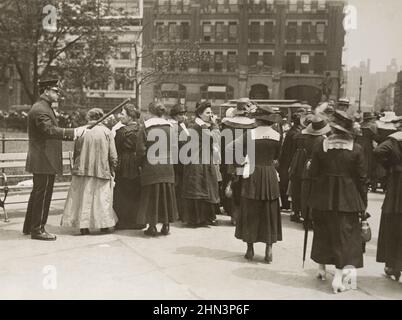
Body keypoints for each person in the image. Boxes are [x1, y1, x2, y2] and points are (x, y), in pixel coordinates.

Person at [309, 110, 368, 294]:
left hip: (324, 196)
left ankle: (321, 268)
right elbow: (362, 178)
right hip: (348, 198)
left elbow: (313, 174)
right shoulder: (356, 149)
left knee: (323, 231)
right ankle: (338, 277)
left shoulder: (322, 145)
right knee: (345, 237)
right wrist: (363, 202)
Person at [23, 79, 85, 241]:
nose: (58, 94)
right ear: (46, 91)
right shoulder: (40, 109)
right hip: (43, 159)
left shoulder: (43, 107)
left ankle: (30, 226)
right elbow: (49, 130)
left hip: (43, 158)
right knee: (42, 195)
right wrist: (74, 132)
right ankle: (37, 230)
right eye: (55, 91)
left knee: (38, 193)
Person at [229, 106, 282, 263]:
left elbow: (231, 148)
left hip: (252, 174)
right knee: (269, 210)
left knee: (250, 210)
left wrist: (242, 161)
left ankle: (250, 249)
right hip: (270, 175)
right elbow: (278, 158)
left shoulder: (249, 134)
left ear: (258, 120)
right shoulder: (277, 136)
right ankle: (269, 248)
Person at [61, 108, 118, 235]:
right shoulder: (107, 132)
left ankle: (83, 226)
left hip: (82, 169)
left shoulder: (82, 131)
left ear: (89, 117)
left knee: (83, 198)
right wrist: (113, 168)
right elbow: (113, 155)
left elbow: (77, 152)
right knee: (101, 199)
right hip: (101, 169)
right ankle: (103, 225)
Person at [136, 102, 178, 236]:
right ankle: (166, 226)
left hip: (151, 167)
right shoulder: (171, 127)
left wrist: (141, 163)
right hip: (167, 167)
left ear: (149, 112)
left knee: (151, 196)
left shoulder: (145, 127)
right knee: (167, 195)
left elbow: (140, 150)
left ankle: (152, 227)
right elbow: (175, 148)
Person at [181, 101, 220, 227]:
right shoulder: (199, 127)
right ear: (200, 114)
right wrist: (214, 124)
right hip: (197, 163)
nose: (210, 115)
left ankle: (202, 218)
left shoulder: (198, 126)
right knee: (200, 188)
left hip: (201, 161)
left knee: (203, 188)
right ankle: (197, 219)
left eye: (211, 112)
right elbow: (214, 138)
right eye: (208, 113)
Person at [373, 126, 402, 281]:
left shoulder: (395, 140)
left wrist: (390, 165)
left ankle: (393, 265)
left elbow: (378, 151)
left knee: (393, 224)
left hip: (398, 186)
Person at [293, 116, 331, 226]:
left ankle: (305, 217)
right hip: (318, 167)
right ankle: (313, 217)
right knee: (316, 192)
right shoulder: (323, 140)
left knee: (306, 192)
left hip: (307, 165)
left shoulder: (306, 138)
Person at [113, 104, 144, 230]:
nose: (120, 116)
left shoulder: (121, 132)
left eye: (123, 114)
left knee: (122, 192)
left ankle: (124, 221)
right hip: (138, 163)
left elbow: (116, 149)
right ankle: (138, 221)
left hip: (124, 163)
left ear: (130, 117)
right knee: (136, 192)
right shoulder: (142, 129)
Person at [278, 108, 306, 211]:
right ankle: (286, 204)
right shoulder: (296, 134)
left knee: (285, 183)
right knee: (287, 183)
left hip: (286, 160)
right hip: (290, 161)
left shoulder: (292, 131)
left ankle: (286, 203)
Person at [288, 114, 315, 223]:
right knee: (305, 189)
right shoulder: (315, 137)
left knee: (296, 188)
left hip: (297, 161)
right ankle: (305, 213)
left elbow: (291, 151)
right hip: (307, 162)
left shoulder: (299, 135)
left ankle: (295, 212)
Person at [168, 103, 189, 220]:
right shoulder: (174, 126)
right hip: (177, 161)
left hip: (182, 160)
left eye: (185, 113)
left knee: (180, 186)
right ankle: (176, 212)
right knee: (177, 186)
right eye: (181, 114)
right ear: (175, 115)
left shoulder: (182, 125)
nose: (184, 116)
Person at [355, 112, 382, 192]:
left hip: (358, 145)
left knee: (359, 164)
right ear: (370, 119)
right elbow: (377, 138)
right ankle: (368, 182)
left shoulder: (359, 125)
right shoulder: (372, 126)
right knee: (368, 164)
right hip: (367, 147)